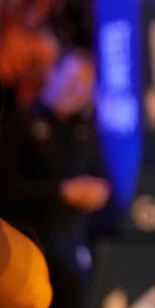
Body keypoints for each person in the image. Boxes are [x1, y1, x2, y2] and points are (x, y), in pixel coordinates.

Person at [0, 49, 109, 308]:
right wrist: (61, 192)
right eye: (72, 80)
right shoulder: (20, 122)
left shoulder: (84, 132)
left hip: (71, 250)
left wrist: (97, 193)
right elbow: (5, 189)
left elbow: (101, 180)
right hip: (27, 245)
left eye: (86, 85)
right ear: (54, 74)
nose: (77, 90)